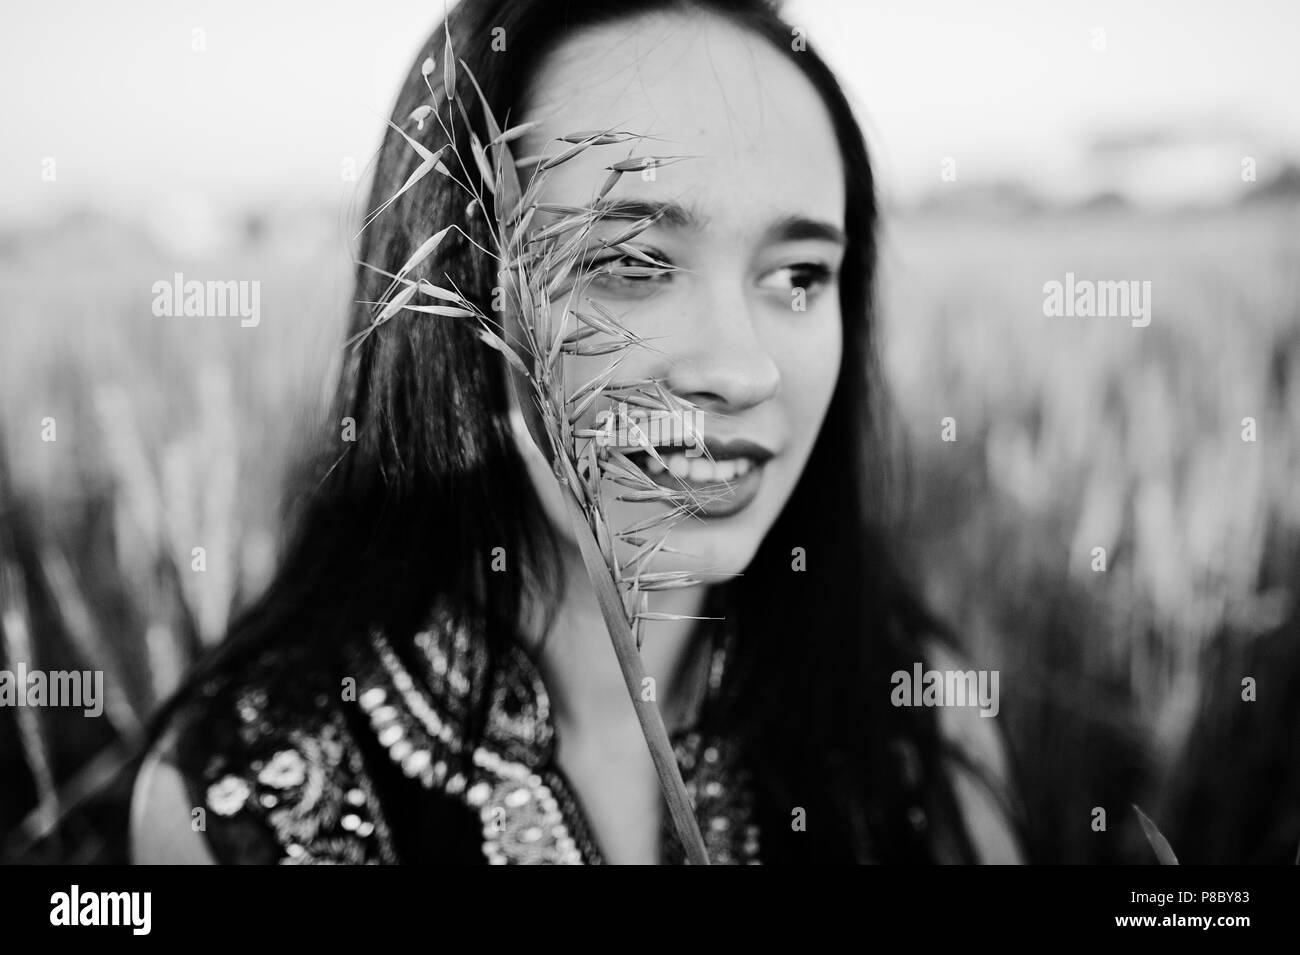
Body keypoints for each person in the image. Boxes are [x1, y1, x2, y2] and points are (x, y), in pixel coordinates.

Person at [131, 0, 1025, 865]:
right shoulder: (233, 797)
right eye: (630, 261)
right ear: (457, 298)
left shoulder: (916, 716)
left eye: (798, 274)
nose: (745, 370)